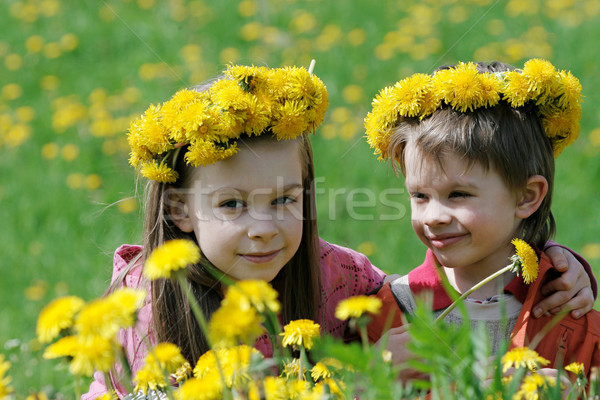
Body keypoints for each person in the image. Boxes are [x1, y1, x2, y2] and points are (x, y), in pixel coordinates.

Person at [83, 63, 595, 399]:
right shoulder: (146, 309)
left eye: (285, 200)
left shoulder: (338, 276)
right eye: (233, 204)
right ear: (180, 211)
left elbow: (444, 288)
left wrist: (547, 259)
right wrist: (362, 378)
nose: (264, 229)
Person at [364, 59, 600, 383]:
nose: (433, 217)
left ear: (526, 197)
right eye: (419, 196)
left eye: (458, 194)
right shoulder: (392, 315)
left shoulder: (569, 314)